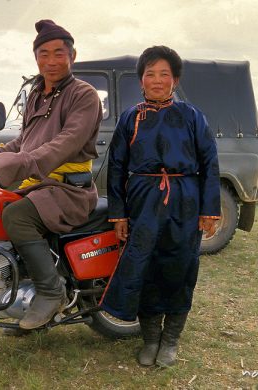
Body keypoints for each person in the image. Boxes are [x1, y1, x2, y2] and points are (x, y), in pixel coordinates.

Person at [0, 20, 103, 330]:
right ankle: (15, 295)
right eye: (44, 54)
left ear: (73, 55)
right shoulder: (37, 95)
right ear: (36, 58)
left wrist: (21, 163)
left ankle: (51, 292)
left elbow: (65, 143)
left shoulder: (83, 95)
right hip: (41, 187)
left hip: (70, 191)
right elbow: (22, 142)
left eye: (59, 53)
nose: (51, 61)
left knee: (17, 216)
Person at [100, 46, 220, 367]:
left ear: (175, 79)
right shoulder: (130, 117)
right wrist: (119, 213)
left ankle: (171, 341)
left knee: (180, 267)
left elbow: (209, 162)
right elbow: (116, 166)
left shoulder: (193, 116)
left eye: (164, 74)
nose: (157, 80)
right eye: (150, 74)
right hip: (142, 200)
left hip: (185, 200)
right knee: (146, 266)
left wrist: (210, 209)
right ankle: (151, 339)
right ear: (141, 81)